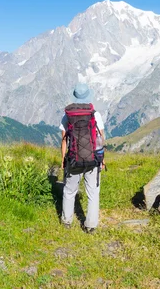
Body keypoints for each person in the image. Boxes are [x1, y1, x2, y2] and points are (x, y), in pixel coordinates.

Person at [59, 82, 105, 233]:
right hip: (92, 159)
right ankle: (91, 225)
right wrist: (102, 159)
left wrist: (63, 160)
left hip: (73, 158)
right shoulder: (95, 114)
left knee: (69, 190)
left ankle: (66, 221)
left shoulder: (68, 116)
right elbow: (100, 138)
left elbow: (64, 139)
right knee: (92, 192)